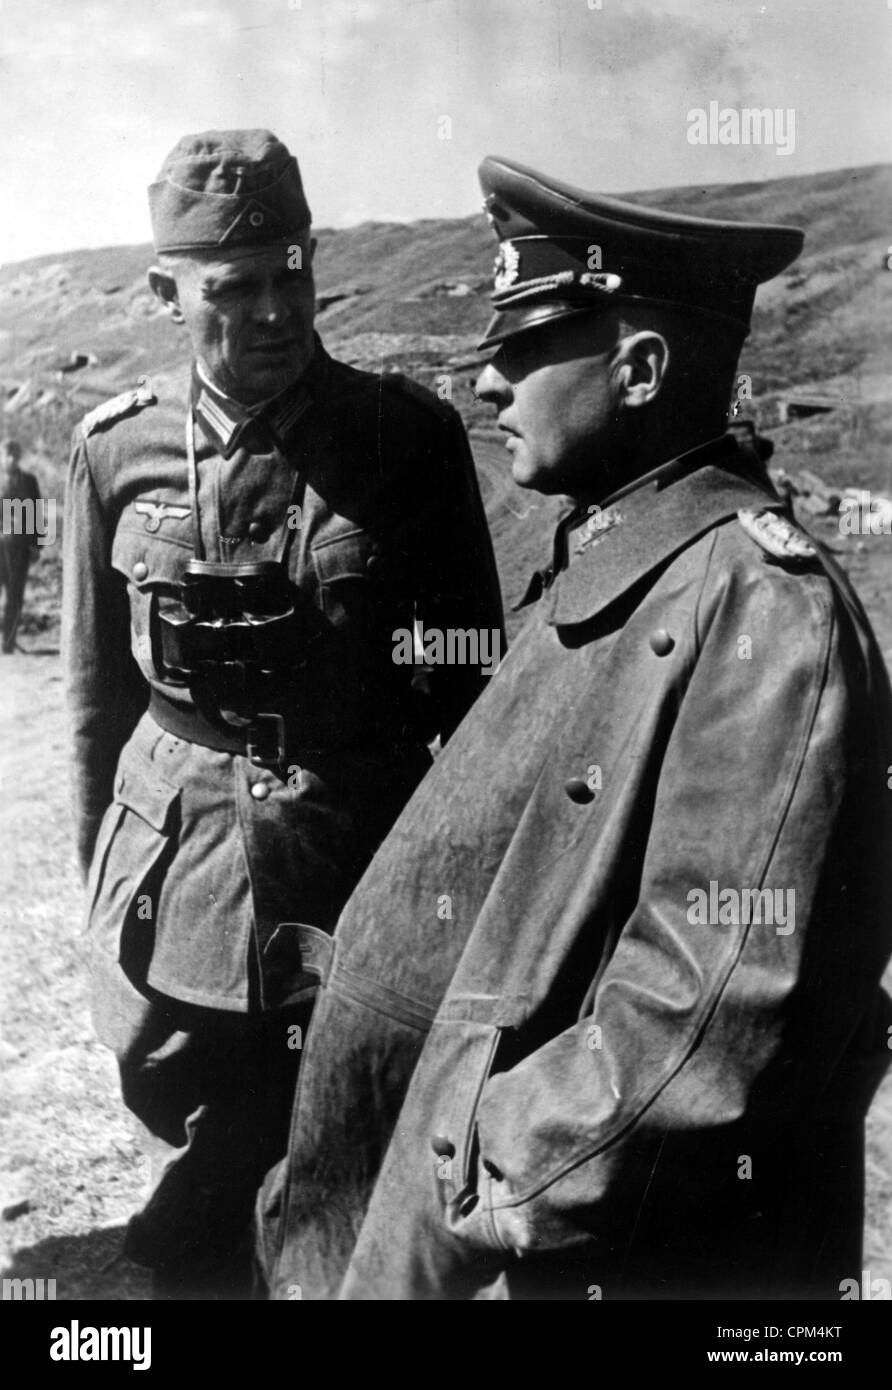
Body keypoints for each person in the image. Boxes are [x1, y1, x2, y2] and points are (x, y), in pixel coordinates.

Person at [256, 156, 892, 1301]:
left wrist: (474, 1163)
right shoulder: (619, 559)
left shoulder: (761, 610)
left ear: (641, 367)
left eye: (521, 348)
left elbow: (701, 1019)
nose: (486, 382)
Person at [62, 129, 503, 1299]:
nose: (271, 312)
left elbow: (466, 675)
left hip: (349, 852)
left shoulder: (402, 438)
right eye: (233, 288)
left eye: (290, 274)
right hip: (179, 858)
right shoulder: (116, 449)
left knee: (318, 1142)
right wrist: (103, 873)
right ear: (169, 293)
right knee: (175, 1084)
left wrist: (448, 889)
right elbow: (94, 698)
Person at [0, 440, 41, 653]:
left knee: (15, 595)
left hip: (21, 546)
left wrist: (38, 545)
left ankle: (8, 642)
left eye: (15, 455)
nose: (11, 459)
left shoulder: (29, 481)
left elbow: (39, 511)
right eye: (7, 454)